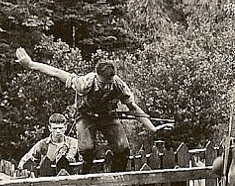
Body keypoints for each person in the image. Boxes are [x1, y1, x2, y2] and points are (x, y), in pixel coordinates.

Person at [15, 47, 167, 173]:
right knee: (87, 148)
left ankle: (116, 177)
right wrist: (31, 64)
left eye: (109, 83)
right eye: (103, 84)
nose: (107, 87)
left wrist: (152, 128)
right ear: (97, 77)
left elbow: (134, 109)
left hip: (108, 117)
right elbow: (56, 72)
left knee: (123, 149)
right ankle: (86, 171)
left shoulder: (119, 86)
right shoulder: (85, 83)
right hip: (86, 117)